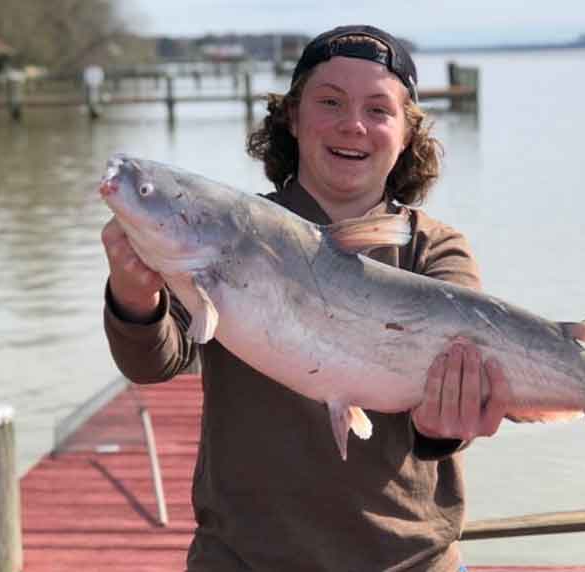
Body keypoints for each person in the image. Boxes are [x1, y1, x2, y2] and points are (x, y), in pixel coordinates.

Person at [101, 25, 511, 572]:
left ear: (408, 133)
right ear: (292, 117)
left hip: (408, 560)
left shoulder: (435, 250)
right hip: (243, 558)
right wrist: (134, 295)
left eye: (379, 109)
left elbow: (453, 417)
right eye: (330, 102)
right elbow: (153, 362)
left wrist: (448, 423)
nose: (353, 124)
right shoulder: (222, 227)